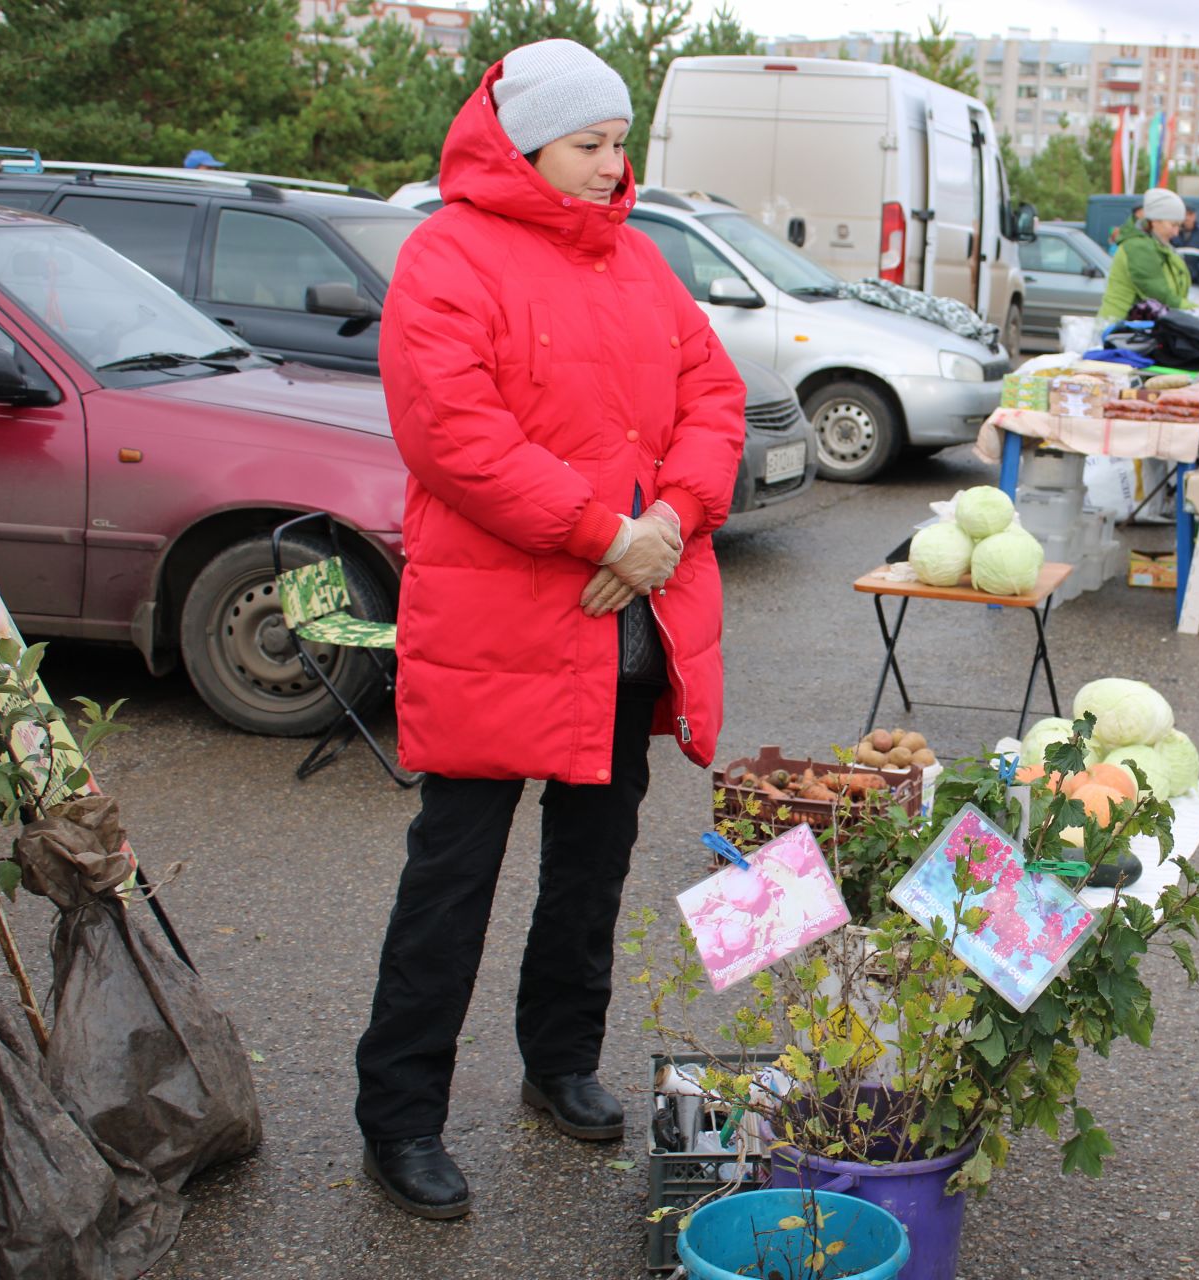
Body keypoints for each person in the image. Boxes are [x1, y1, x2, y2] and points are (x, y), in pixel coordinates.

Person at [354, 37, 745, 1220]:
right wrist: (602, 533)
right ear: (525, 143)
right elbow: (453, 435)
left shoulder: (638, 263)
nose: (612, 164)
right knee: (453, 875)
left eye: (620, 142)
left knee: (592, 866)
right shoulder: (446, 256)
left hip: (624, 629)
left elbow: (713, 396)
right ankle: (401, 1117)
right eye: (591, 143)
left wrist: (670, 520)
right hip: (503, 620)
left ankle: (559, 1060)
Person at [1097, 188, 1193, 322]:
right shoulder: (1138, 247)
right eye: (1173, 225)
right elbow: (1158, 294)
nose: (1176, 233)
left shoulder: (1157, 245)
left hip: (1139, 324)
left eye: (1179, 226)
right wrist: (1196, 309)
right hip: (1122, 327)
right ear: (1155, 221)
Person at [1171, 207, 1199, 287]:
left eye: (1190, 215)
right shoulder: (1174, 232)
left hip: (1196, 279)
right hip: (1176, 277)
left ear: (1195, 216)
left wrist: (1197, 270)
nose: (1187, 218)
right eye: (1185, 215)